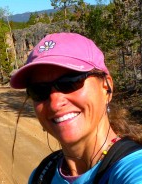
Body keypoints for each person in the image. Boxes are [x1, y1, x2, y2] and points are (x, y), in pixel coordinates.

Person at [10, 33, 142, 183]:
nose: (55, 103)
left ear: (107, 87)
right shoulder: (42, 174)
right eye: (39, 90)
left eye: (70, 82)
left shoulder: (132, 169)